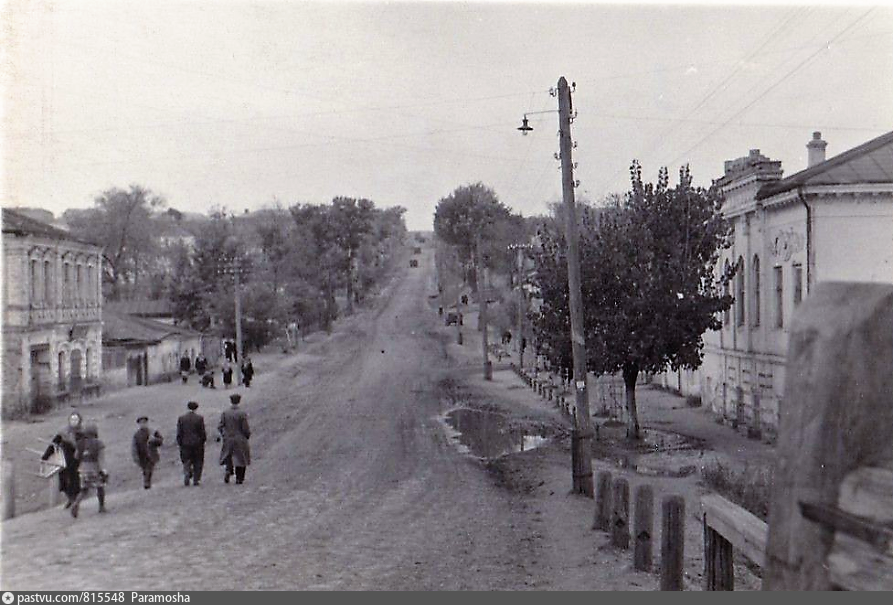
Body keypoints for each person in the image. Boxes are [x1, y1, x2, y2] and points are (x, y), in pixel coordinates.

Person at [41, 411, 84, 509]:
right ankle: (70, 498)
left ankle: (74, 500)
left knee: (75, 480)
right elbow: (54, 444)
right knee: (63, 480)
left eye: (76, 419)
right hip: (64, 460)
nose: (74, 421)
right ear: (69, 420)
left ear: (79, 421)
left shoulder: (82, 433)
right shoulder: (63, 432)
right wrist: (46, 456)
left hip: (76, 461)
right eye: (72, 419)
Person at [70, 424, 107, 518]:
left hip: (83, 468)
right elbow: (101, 458)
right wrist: (104, 470)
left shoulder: (80, 443)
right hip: (94, 467)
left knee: (84, 489)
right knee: (100, 487)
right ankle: (101, 507)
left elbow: (76, 456)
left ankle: (76, 503)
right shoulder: (99, 443)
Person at [218, 393, 251, 484]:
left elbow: (220, 426)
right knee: (241, 458)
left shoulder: (225, 413)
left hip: (228, 438)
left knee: (228, 455)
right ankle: (239, 478)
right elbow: (245, 428)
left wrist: (224, 435)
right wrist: (247, 435)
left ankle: (229, 469)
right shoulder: (242, 413)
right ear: (239, 401)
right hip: (240, 438)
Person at [176, 401, 207, 486]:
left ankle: (187, 472)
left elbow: (179, 432)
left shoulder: (181, 418)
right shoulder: (199, 418)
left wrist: (180, 442)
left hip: (185, 443)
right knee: (198, 461)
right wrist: (203, 440)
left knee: (186, 460)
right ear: (196, 408)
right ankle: (196, 479)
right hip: (197, 443)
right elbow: (202, 432)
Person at [132, 416, 163, 489]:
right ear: (139, 424)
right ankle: (147, 482)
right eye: (141, 423)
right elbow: (134, 446)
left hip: (152, 454)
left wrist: (154, 440)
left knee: (149, 469)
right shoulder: (137, 435)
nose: (143, 424)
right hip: (142, 455)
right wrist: (135, 456)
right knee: (145, 470)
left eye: (144, 422)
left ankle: (147, 483)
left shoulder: (152, 432)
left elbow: (160, 441)